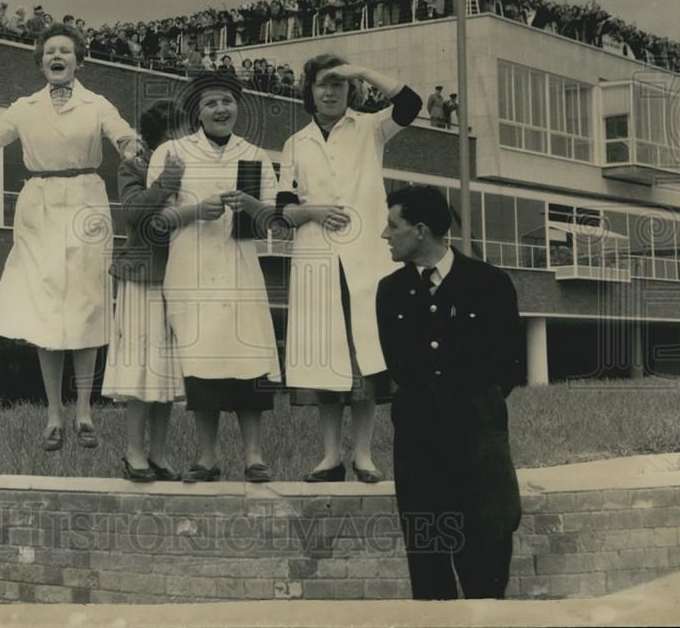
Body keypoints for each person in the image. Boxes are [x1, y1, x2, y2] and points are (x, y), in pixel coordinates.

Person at [0, 23, 142, 452]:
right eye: (49, 51)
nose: (57, 56)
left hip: (87, 201)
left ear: (78, 60)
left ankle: (84, 410)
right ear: (40, 62)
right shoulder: (25, 107)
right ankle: (54, 414)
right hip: (40, 205)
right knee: (47, 308)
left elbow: (122, 134)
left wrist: (129, 147)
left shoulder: (97, 103)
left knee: (87, 304)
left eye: (65, 51)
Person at [278, 55, 421, 483]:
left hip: (364, 257)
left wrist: (361, 71)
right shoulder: (295, 144)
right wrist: (315, 211)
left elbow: (410, 103)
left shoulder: (371, 128)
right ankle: (328, 458)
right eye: (323, 84)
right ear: (309, 90)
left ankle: (362, 456)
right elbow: (284, 208)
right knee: (327, 359)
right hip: (317, 258)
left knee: (365, 358)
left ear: (350, 90)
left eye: (339, 85)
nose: (330, 92)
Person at [377, 184, 523, 600]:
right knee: (429, 572)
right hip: (419, 447)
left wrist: (473, 403)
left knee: (486, 565)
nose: (385, 235)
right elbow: (399, 365)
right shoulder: (390, 291)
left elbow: (509, 365)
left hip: (478, 444)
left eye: (393, 225)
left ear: (420, 230)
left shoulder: (490, 283)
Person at [149, 73, 281, 483]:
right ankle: (207, 457)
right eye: (211, 104)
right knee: (201, 366)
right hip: (192, 273)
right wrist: (195, 211)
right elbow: (154, 219)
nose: (221, 109)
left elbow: (274, 220)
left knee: (249, 361)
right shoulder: (172, 153)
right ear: (197, 113)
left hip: (241, 273)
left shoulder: (255, 154)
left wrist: (254, 206)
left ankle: (253, 456)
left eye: (227, 101)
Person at [103, 100, 185, 482]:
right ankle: (134, 453)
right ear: (161, 138)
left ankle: (160, 454)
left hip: (179, 278)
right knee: (138, 368)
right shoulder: (133, 166)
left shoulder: (194, 169)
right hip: (140, 279)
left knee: (167, 372)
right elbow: (134, 211)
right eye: (177, 134)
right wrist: (167, 181)